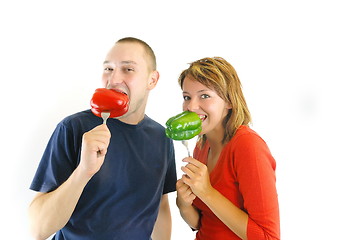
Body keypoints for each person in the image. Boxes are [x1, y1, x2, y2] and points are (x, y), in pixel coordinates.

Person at [28, 37, 177, 240]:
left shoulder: (162, 136)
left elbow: (160, 206)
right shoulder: (73, 128)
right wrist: (83, 172)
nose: (114, 79)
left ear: (152, 80)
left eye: (128, 69)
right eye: (108, 69)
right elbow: (38, 229)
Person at [175, 57, 280, 240]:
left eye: (205, 96)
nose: (191, 107)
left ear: (229, 101)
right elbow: (202, 223)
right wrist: (184, 204)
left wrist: (207, 192)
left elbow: (267, 237)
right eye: (187, 97)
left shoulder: (248, 146)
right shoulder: (202, 144)